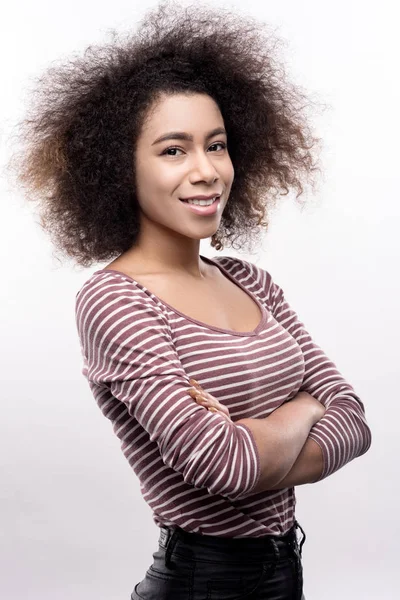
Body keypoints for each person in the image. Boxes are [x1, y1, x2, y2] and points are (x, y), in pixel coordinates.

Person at [9, 2, 372, 598]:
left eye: (218, 145)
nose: (206, 171)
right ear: (120, 170)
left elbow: (354, 419)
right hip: (203, 582)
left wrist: (256, 434)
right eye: (173, 150)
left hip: (286, 573)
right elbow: (227, 469)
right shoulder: (115, 300)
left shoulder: (252, 282)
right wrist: (304, 407)